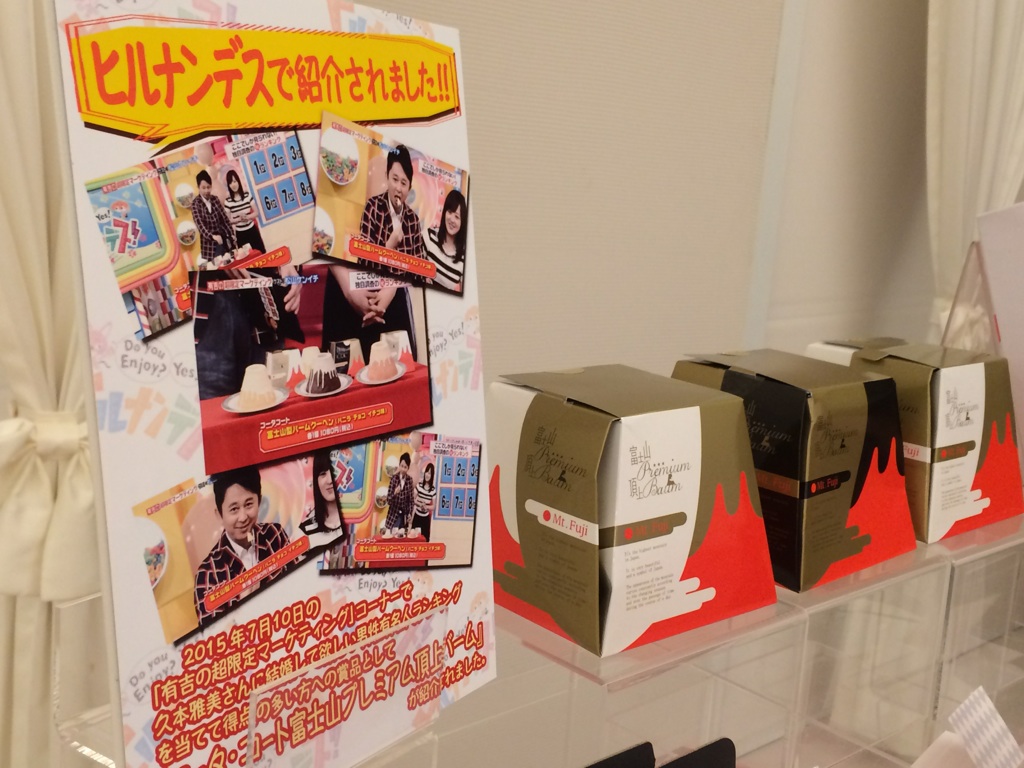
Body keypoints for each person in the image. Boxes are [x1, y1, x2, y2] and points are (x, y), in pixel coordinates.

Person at [193, 466, 291, 627]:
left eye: (249, 504)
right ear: (219, 514)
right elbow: (213, 636)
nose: (243, 517)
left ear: (259, 501)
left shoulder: (275, 534)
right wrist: (243, 608)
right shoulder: (208, 574)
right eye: (234, 509)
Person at [358, 145, 426, 259]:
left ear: (409, 187)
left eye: (403, 183)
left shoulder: (413, 221)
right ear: (387, 177)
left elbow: (417, 265)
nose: (398, 188)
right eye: (395, 179)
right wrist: (389, 246)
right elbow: (363, 260)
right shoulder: (372, 207)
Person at [190, 169, 237, 268]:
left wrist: (231, 234)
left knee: (234, 264)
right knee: (221, 269)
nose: (206, 190)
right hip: (210, 247)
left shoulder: (215, 199)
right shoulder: (195, 204)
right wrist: (213, 236)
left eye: (208, 187)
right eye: (203, 188)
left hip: (224, 240)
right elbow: (200, 226)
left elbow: (225, 219)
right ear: (198, 187)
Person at [424, 189, 468, 292]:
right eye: (450, 212)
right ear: (444, 212)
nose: (452, 219)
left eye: (457, 217)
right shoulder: (428, 236)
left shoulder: (464, 258)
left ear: (462, 222)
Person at [222, 169, 266, 253]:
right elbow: (227, 220)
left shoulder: (247, 195)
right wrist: (239, 219)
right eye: (230, 183)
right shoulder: (228, 201)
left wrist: (247, 217)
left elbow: (256, 212)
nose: (233, 185)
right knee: (247, 258)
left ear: (238, 181)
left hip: (252, 230)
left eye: (234, 181)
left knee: (261, 254)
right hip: (240, 234)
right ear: (228, 185)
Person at [300, 452, 344, 537]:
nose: (330, 480)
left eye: (334, 471)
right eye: (323, 473)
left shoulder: (360, 513)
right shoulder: (304, 531)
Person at [385, 453, 414, 532]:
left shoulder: (409, 480)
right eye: (401, 466)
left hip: (403, 518)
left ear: (408, 468)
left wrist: (410, 513)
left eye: (405, 467)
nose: (403, 469)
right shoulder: (394, 479)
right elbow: (388, 500)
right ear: (399, 465)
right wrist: (395, 493)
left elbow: (411, 500)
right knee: (392, 538)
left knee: (403, 538)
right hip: (393, 517)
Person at [413, 462, 437, 541]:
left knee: (425, 541)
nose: (427, 475)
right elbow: (413, 499)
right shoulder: (419, 485)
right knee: (414, 539)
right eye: (426, 472)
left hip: (425, 519)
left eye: (429, 473)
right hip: (417, 516)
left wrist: (426, 507)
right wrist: (420, 504)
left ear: (432, 475)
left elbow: (433, 506)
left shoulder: (433, 490)